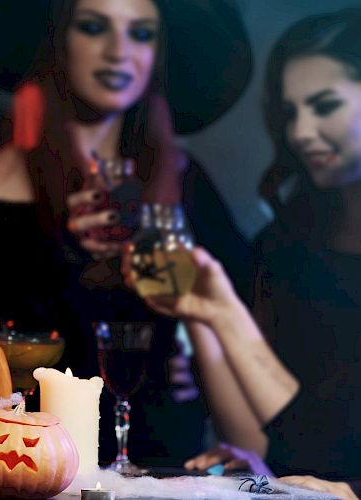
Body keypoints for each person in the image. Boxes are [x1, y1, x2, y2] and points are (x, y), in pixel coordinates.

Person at [0, 0, 253, 468]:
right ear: (60, 43)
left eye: (142, 34)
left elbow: (243, 316)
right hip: (36, 458)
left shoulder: (184, 180)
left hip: (167, 457)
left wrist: (190, 343)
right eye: (93, 28)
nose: (118, 51)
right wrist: (68, 259)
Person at [132, 6, 361, 499]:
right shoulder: (286, 244)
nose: (299, 132)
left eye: (323, 106)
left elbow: (326, 452)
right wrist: (205, 315)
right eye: (290, 113)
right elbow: (267, 442)